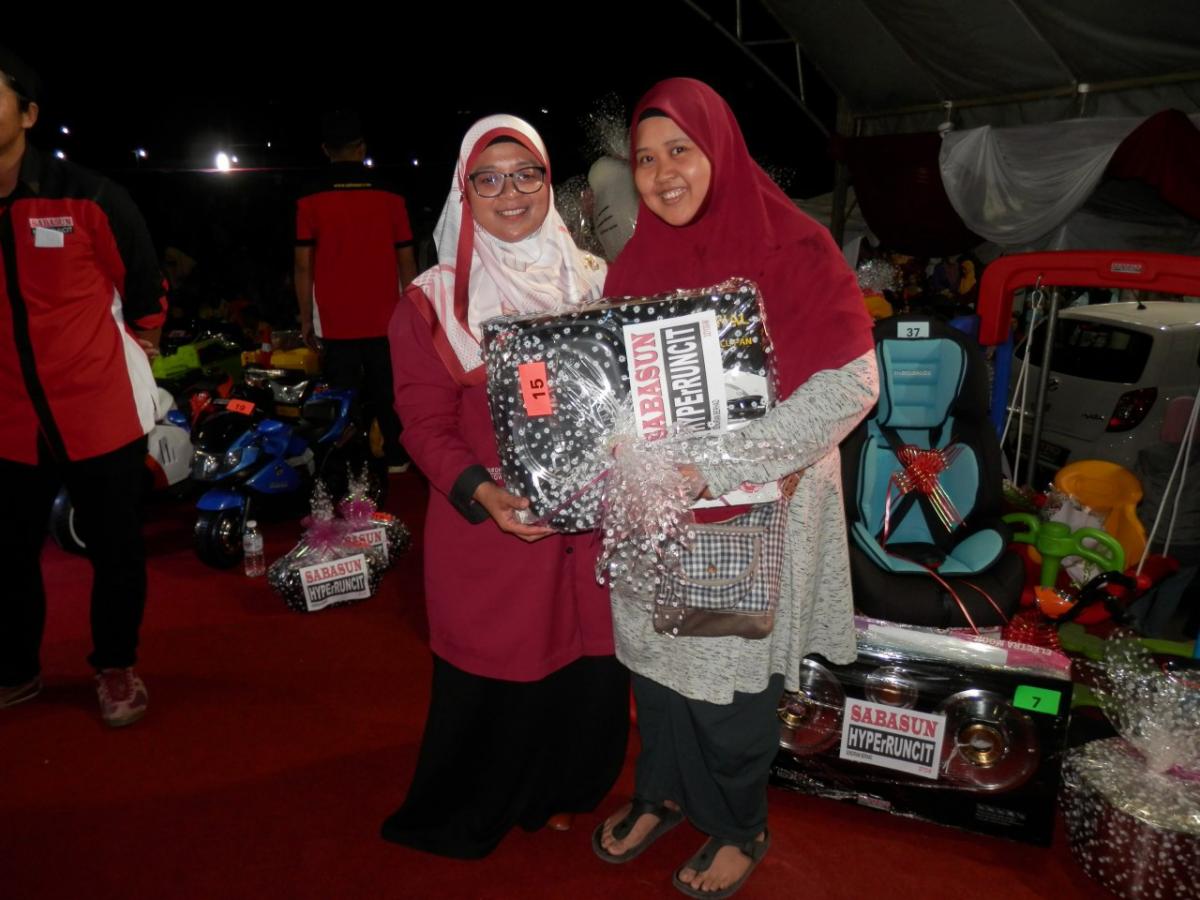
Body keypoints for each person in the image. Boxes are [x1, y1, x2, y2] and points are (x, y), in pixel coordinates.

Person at [593, 78, 879, 898]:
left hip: (750, 509)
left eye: (680, 151)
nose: (663, 175)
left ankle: (737, 823)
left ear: (719, 150)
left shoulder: (794, 246)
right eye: (646, 159)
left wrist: (717, 467)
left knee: (727, 687)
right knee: (656, 668)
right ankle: (661, 793)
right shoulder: (636, 263)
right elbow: (613, 390)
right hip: (658, 510)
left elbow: (850, 385)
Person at [379, 114, 629, 858]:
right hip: (494, 525)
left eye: (527, 175)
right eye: (488, 179)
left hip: (592, 526)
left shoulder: (595, 280)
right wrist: (480, 493)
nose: (510, 193)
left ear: (550, 183)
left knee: (587, 662)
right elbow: (423, 423)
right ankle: (486, 801)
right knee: (505, 666)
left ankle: (564, 790)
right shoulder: (433, 302)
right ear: (464, 192)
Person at [0, 48, 166, 727]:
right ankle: (16, 668)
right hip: (7, 420)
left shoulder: (88, 196)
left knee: (116, 549)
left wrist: (142, 342)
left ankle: (116, 664)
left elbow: (145, 286)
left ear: (28, 113)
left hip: (97, 412)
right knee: (7, 556)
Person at [294, 109, 417, 472]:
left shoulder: (309, 198)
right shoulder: (391, 194)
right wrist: (414, 310)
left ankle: (352, 466)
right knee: (389, 391)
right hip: (387, 316)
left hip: (335, 320)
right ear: (362, 147)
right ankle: (397, 459)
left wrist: (305, 318)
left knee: (342, 395)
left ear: (325, 150)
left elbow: (303, 265)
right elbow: (406, 259)